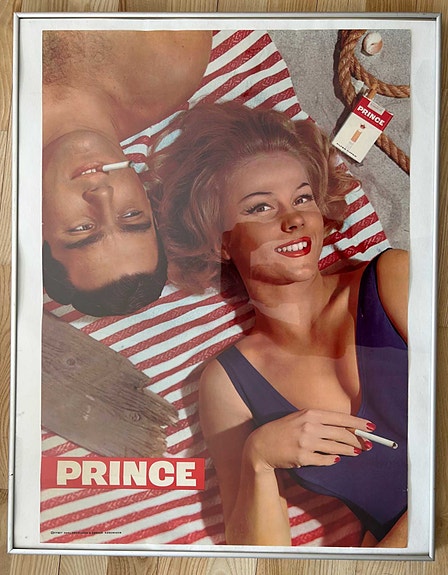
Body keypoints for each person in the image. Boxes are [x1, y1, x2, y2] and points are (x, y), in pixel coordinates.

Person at [151, 102, 409, 547]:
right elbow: (257, 557)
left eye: (303, 198)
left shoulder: (393, 279)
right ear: (221, 243)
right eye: (260, 207)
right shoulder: (229, 384)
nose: (294, 219)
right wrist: (259, 458)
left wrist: (396, 551)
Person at [42, 30, 212, 316]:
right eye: (132, 215)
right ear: (147, 199)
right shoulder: (173, 62)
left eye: (82, 228)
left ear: (39, 230)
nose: (102, 194)